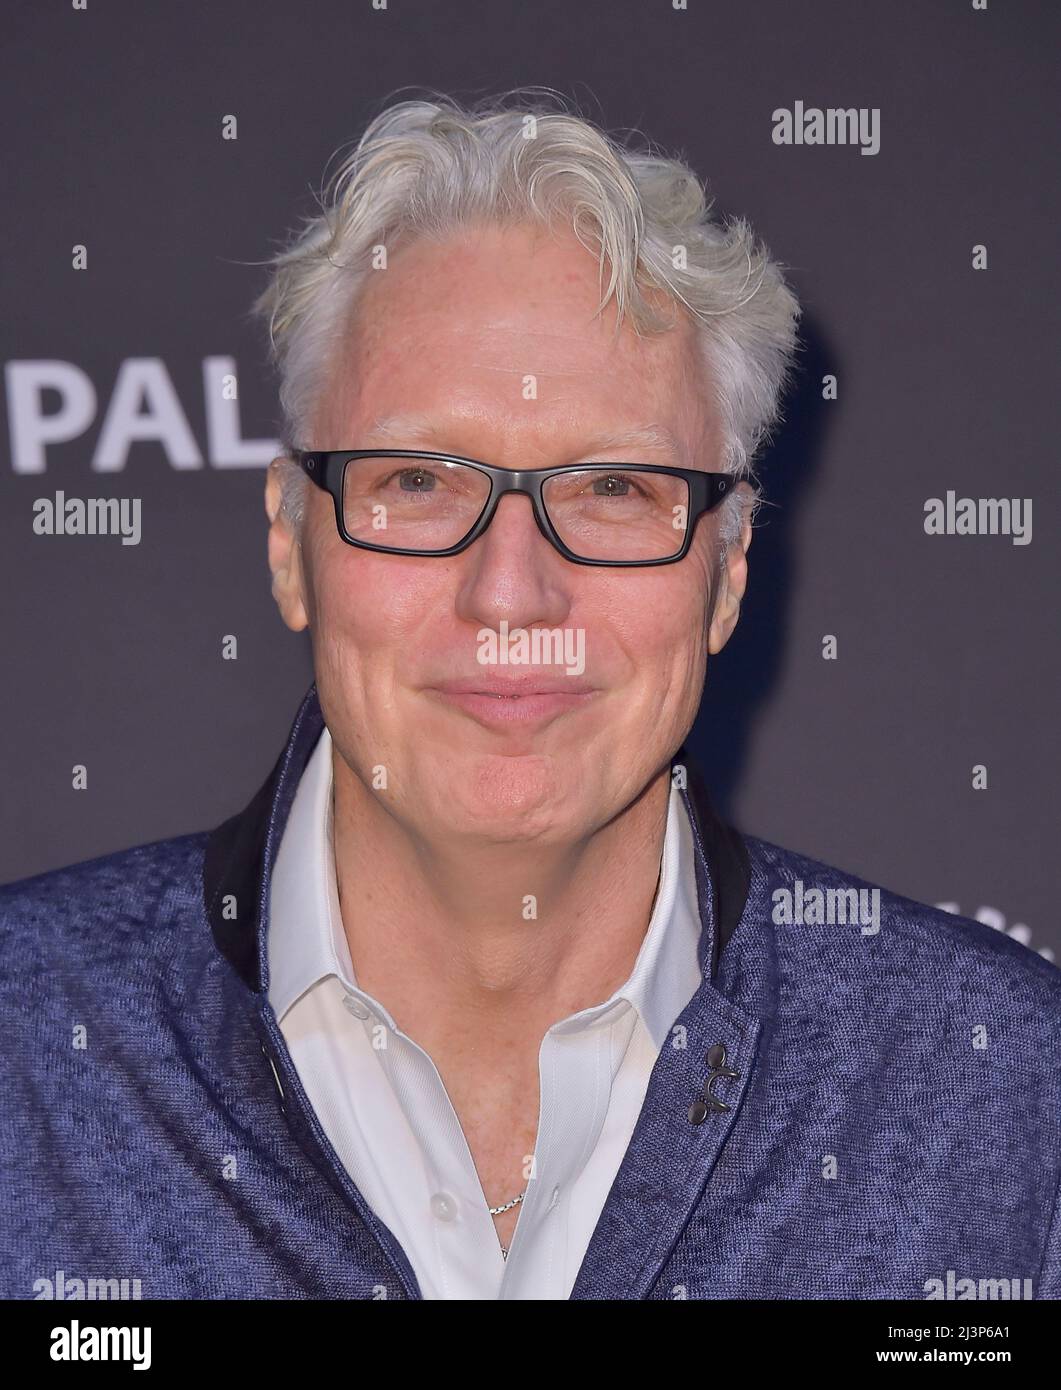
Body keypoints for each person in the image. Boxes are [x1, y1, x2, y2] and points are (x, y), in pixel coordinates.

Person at [2, 92, 1058, 1302]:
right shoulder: (23, 1055)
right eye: (418, 479)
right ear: (291, 541)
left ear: (726, 575)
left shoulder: (1006, 1103)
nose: (510, 592)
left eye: (613, 487)